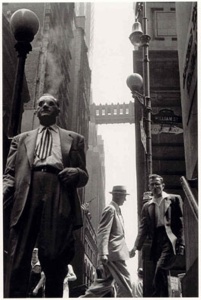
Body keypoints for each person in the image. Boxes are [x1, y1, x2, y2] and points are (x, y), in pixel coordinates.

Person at [3, 93, 89, 298]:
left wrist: (76, 173)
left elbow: (84, 175)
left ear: (58, 111)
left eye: (51, 104)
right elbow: (9, 174)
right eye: (41, 104)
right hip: (27, 191)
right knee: (19, 254)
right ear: (38, 110)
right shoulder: (20, 140)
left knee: (54, 256)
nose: (45, 106)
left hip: (58, 188)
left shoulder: (75, 139)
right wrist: (4, 192)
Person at [130, 174, 185, 297]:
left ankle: (155, 296)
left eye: (157, 184)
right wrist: (135, 247)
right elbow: (143, 228)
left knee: (160, 269)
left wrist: (181, 243)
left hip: (170, 239)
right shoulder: (147, 206)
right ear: (149, 187)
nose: (155, 186)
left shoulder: (174, 199)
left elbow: (180, 223)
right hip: (156, 241)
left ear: (162, 185)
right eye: (152, 184)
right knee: (163, 275)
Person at [80, 185, 133, 297]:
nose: (125, 199)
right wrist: (103, 253)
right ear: (118, 196)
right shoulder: (110, 209)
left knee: (103, 285)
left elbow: (118, 236)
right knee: (126, 283)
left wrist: (127, 251)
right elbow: (103, 231)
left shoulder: (117, 210)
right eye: (124, 196)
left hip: (115, 253)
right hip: (113, 254)